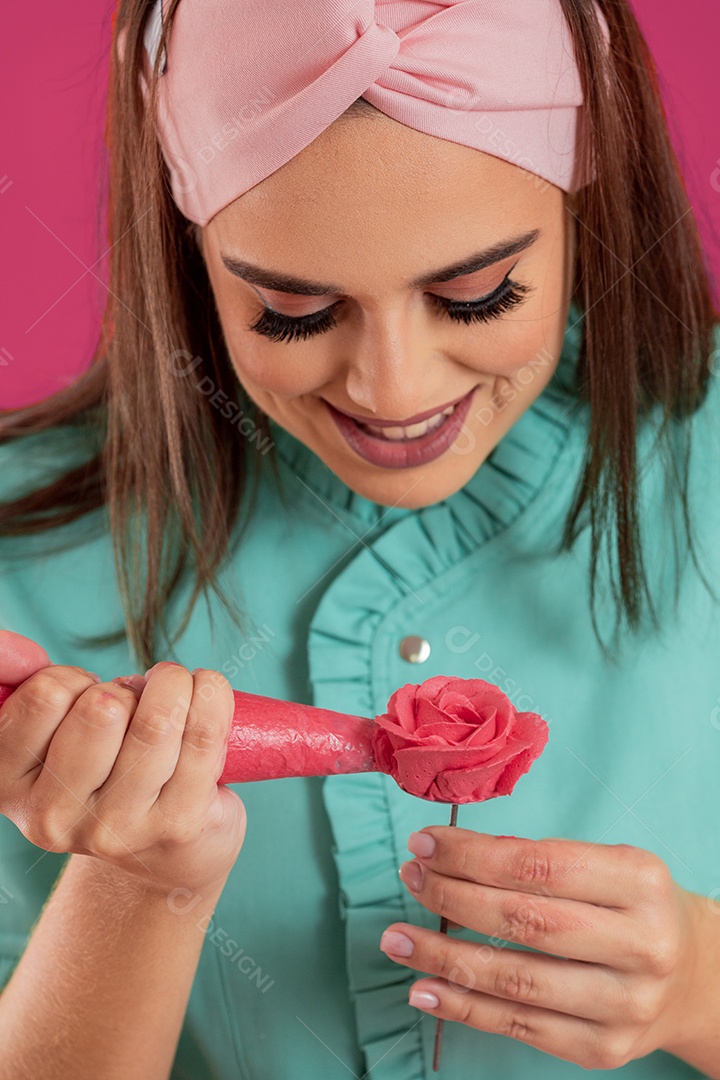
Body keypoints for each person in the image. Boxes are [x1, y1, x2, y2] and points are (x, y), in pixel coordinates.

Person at [0, 0, 718, 1077]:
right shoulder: (25, 553)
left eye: (478, 294)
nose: (395, 391)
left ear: (587, 187)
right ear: (190, 246)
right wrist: (146, 887)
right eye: (292, 313)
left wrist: (702, 985)